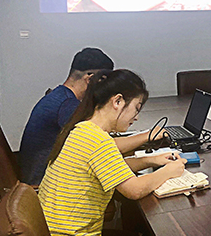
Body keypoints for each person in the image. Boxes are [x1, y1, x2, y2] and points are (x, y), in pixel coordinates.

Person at [38, 69, 186, 236]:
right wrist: (169, 171)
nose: (137, 117)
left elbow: (111, 169)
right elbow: (135, 190)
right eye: (136, 108)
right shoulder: (99, 141)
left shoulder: (82, 129)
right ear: (117, 101)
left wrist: (151, 160)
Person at [19, 48, 163, 185]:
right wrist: (148, 136)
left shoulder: (61, 96)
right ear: (90, 79)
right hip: (43, 181)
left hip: (43, 175)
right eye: (103, 82)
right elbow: (104, 146)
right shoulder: (68, 105)